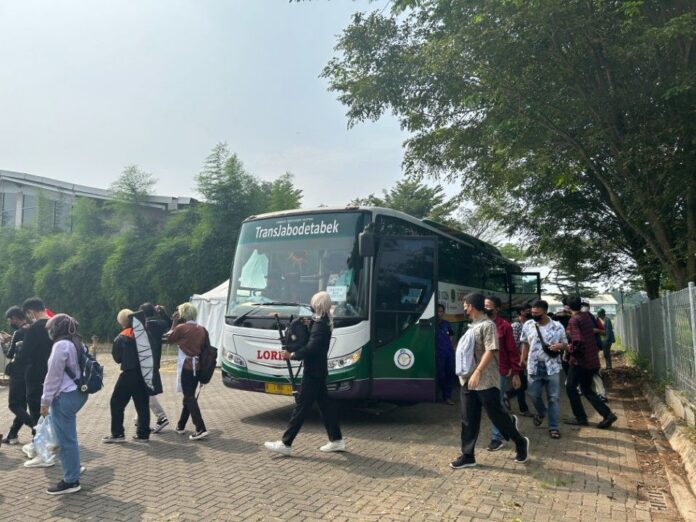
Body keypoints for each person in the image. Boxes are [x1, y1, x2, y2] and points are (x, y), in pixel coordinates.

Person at [450, 293, 529, 469]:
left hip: (485, 380)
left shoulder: (488, 325)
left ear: (471, 306)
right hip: (468, 380)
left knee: (497, 416)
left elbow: (491, 350)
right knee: (468, 418)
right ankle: (468, 455)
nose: (464, 308)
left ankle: (520, 441)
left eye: (465, 305)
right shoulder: (472, 326)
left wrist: (478, 371)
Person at [264, 291, 345, 456]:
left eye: (313, 303)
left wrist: (292, 355)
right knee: (326, 407)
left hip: (313, 372)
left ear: (317, 305)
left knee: (301, 408)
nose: (311, 305)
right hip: (318, 370)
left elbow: (312, 347)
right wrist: (282, 316)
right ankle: (336, 440)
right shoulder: (322, 321)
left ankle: (286, 443)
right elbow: (306, 323)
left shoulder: (320, 325)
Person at [40, 314, 89, 495]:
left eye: (51, 328)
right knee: (70, 438)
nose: (50, 332)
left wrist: (45, 401)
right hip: (79, 393)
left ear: (57, 328)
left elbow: (53, 377)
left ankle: (71, 481)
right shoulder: (78, 342)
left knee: (66, 440)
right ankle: (74, 469)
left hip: (64, 396)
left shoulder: (60, 345)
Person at [564, 296, 617, 429]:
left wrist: (567, 348)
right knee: (586, 389)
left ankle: (581, 417)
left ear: (567, 307)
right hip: (592, 358)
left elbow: (578, 341)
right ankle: (607, 414)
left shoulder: (574, 320)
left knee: (570, 387)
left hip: (579, 361)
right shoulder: (586, 316)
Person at [520, 300, 566, 439]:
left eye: (537, 313)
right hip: (534, 366)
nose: (534, 315)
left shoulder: (557, 326)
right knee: (532, 394)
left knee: (553, 398)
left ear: (545, 312)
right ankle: (541, 412)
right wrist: (522, 359)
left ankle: (553, 427)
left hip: (552, 367)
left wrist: (559, 346)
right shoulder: (528, 325)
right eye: (532, 313)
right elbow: (525, 343)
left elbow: (566, 344)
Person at [102, 309, 151, 443]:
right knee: (142, 405)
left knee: (116, 403)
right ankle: (143, 434)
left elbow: (117, 358)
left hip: (129, 373)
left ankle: (118, 434)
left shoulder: (122, 336)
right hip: (143, 373)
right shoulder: (143, 333)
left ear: (122, 322)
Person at [484, 296, 522, 451]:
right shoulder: (479, 324)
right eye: (484, 305)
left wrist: (516, 373)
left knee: (496, 403)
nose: (485, 308)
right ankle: (509, 421)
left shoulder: (504, 326)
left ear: (497, 308)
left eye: (488, 306)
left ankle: (496, 438)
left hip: (500, 370)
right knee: (488, 403)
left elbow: (512, 350)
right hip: (483, 370)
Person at [167, 303, 209, 441]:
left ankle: (200, 428)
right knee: (189, 396)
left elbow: (169, 339)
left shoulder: (181, 327)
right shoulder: (202, 329)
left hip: (187, 366)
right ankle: (181, 425)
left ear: (183, 314)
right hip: (198, 366)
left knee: (189, 397)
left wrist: (174, 322)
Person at [21, 297, 53, 429]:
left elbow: (24, 354)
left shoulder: (34, 329)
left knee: (37, 414)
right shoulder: (57, 324)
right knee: (54, 413)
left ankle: (39, 438)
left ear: (30, 312)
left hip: (36, 376)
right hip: (55, 375)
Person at [139, 303, 171, 433]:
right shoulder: (158, 325)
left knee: (145, 392)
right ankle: (139, 420)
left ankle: (161, 416)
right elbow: (169, 324)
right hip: (154, 362)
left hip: (143, 363)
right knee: (142, 391)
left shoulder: (140, 326)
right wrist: (162, 313)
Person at [1, 306, 31, 444]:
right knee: (22, 406)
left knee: (13, 405)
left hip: (18, 373)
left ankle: (37, 428)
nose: (9, 323)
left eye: (9, 320)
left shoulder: (18, 333)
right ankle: (13, 434)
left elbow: (9, 354)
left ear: (14, 318)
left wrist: (4, 343)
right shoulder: (33, 329)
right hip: (31, 373)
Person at [506, 308, 531, 417]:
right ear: (521, 312)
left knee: (524, 384)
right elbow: (514, 344)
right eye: (527, 310)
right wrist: (519, 359)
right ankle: (523, 409)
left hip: (525, 358)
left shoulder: (528, 324)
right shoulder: (516, 326)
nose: (529, 313)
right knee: (521, 384)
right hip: (518, 358)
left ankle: (508, 395)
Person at [436, 304, 456, 405]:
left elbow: (451, 336)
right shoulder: (432, 325)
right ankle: (440, 393)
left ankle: (447, 397)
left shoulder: (446, 324)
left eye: (441, 311)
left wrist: (451, 347)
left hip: (448, 353)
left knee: (450, 374)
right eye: (437, 311)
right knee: (440, 375)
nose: (439, 313)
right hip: (438, 354)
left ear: (443, 313)